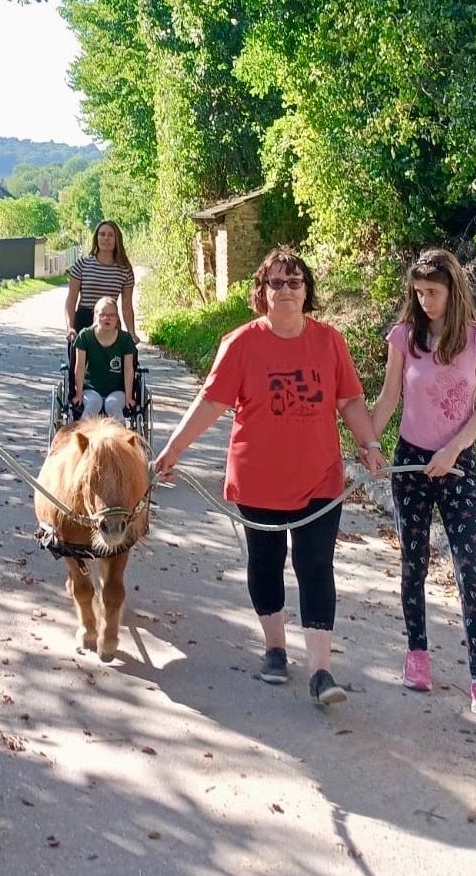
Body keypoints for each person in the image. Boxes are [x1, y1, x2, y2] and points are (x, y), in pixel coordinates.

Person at [154, 247, 384, 706]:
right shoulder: (241, 343)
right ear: (260, 292)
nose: (285, 290)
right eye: (275, 282)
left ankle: (321, 671)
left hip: (320, 479)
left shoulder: (330, 341)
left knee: (316, 565)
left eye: (294, 282)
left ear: (307, 292)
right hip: (259, 480)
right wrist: (174, 449)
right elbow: (211, 404)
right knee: (266, 562)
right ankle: (275, 649)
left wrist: (370, 442)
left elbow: (350, 401)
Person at [370, 248, 476, 725]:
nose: (424, 299)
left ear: (453, 290)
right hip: (410, 463)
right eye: (418, 291)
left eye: (432, 291)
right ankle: (417, 653)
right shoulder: (404, 337)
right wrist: (368, 443)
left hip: (458, 465)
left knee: (468, 568)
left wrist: (453, 450)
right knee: (414, 562)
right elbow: (389, 396)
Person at [65, 220, 138, 346]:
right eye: (102, 234)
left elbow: (126, 306)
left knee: (120, 363)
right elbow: (71, 300)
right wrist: (70, 327)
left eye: (110, 235)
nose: (106, 238)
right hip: (84, 320)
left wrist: (131, 332)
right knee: (80, 364)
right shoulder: (82, 264)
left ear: (117, 239)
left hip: (111, 322)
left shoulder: (124, 270)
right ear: (96, 238)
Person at [72, 296, 136, 419]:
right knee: (93, 404)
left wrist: (129, 397)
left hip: (117, 391)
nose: (107, 318)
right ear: (95, 316)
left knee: (112, 405)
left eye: (112, 315)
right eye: (103, 314)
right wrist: (78, 394)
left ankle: (120, 436)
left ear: (117, 318)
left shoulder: (126, 339)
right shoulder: (85, 336)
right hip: (90, 389)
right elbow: (79, 367)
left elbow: (129, 369)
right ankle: (84, 435)